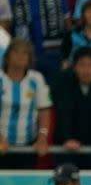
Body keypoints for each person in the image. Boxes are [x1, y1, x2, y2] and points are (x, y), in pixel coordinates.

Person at [53, 46, 91, 169]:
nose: (87, 70)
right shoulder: (63, 82)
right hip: (67, 147)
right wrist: (67, 139)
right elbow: (63, 113)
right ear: (74, 67)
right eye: (82, 65)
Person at [0, 39, 52, 167]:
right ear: (7, 56)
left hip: (28, 146)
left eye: (25, 53)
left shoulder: (37, 79)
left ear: (30, 58)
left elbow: (44, 111)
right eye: (16, 52)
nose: (20, 56)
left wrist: (42, 137)